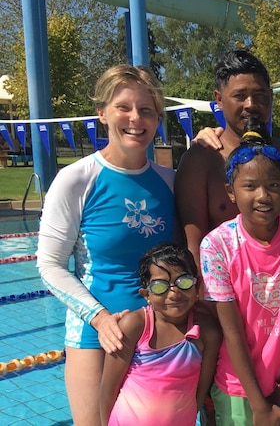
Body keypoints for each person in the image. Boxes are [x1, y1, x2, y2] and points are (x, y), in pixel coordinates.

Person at [36, 64, 177, 425]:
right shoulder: (76, 180)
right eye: (124, 107)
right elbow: (49, 265)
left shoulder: (172, 181)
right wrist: (98, 319)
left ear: (157, 117)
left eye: (146, 110)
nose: (135, 118)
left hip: (159, 333)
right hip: (96, 335)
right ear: (102, 113)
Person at [200, 124, 280, 426]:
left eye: (274, 186)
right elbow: (232, 331)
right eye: (250, 186)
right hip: (238, 388)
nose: (263, 196)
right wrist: (259, 404)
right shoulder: (217, 245)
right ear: (231, 191)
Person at [176, 49, 280, 269]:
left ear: (270, 97)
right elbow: (194, 250)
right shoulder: (200, 160)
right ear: (219, 99)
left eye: (259, 95)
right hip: (219, 295)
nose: (250, 104)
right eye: (240, 96)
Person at [101, 243, 222, 426]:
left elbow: (201, 392)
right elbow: (108, 388)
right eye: (160, 286)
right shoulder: (135, 326)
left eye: (184, 282)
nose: (173, 293)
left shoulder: (206, 331)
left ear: (197, 287)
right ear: (146, 294)